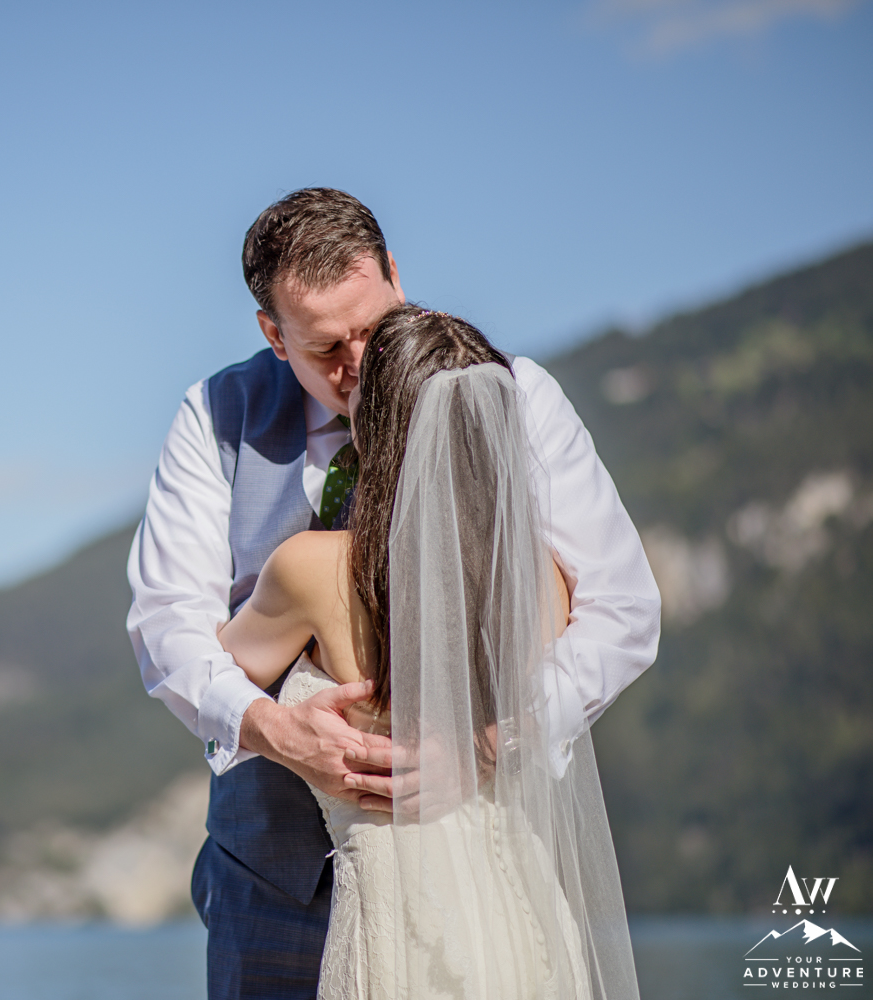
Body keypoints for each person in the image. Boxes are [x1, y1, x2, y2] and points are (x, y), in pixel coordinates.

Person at [126, 188, 660, 999]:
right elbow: (169, 624)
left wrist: (485, 748)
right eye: (324, 346)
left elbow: (622, 610)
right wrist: (270, 729)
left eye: (371, 327)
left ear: (396, 277)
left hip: (478, 881)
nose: (358, 364)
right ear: (273, 334)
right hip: (269, 891)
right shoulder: (214, 417)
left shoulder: (511, 396)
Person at [217, 305, 638, 998]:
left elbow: (219, 669)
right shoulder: (544, 579)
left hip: (400, 934)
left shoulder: (313, 571)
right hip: (525, 922)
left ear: (373, 430)